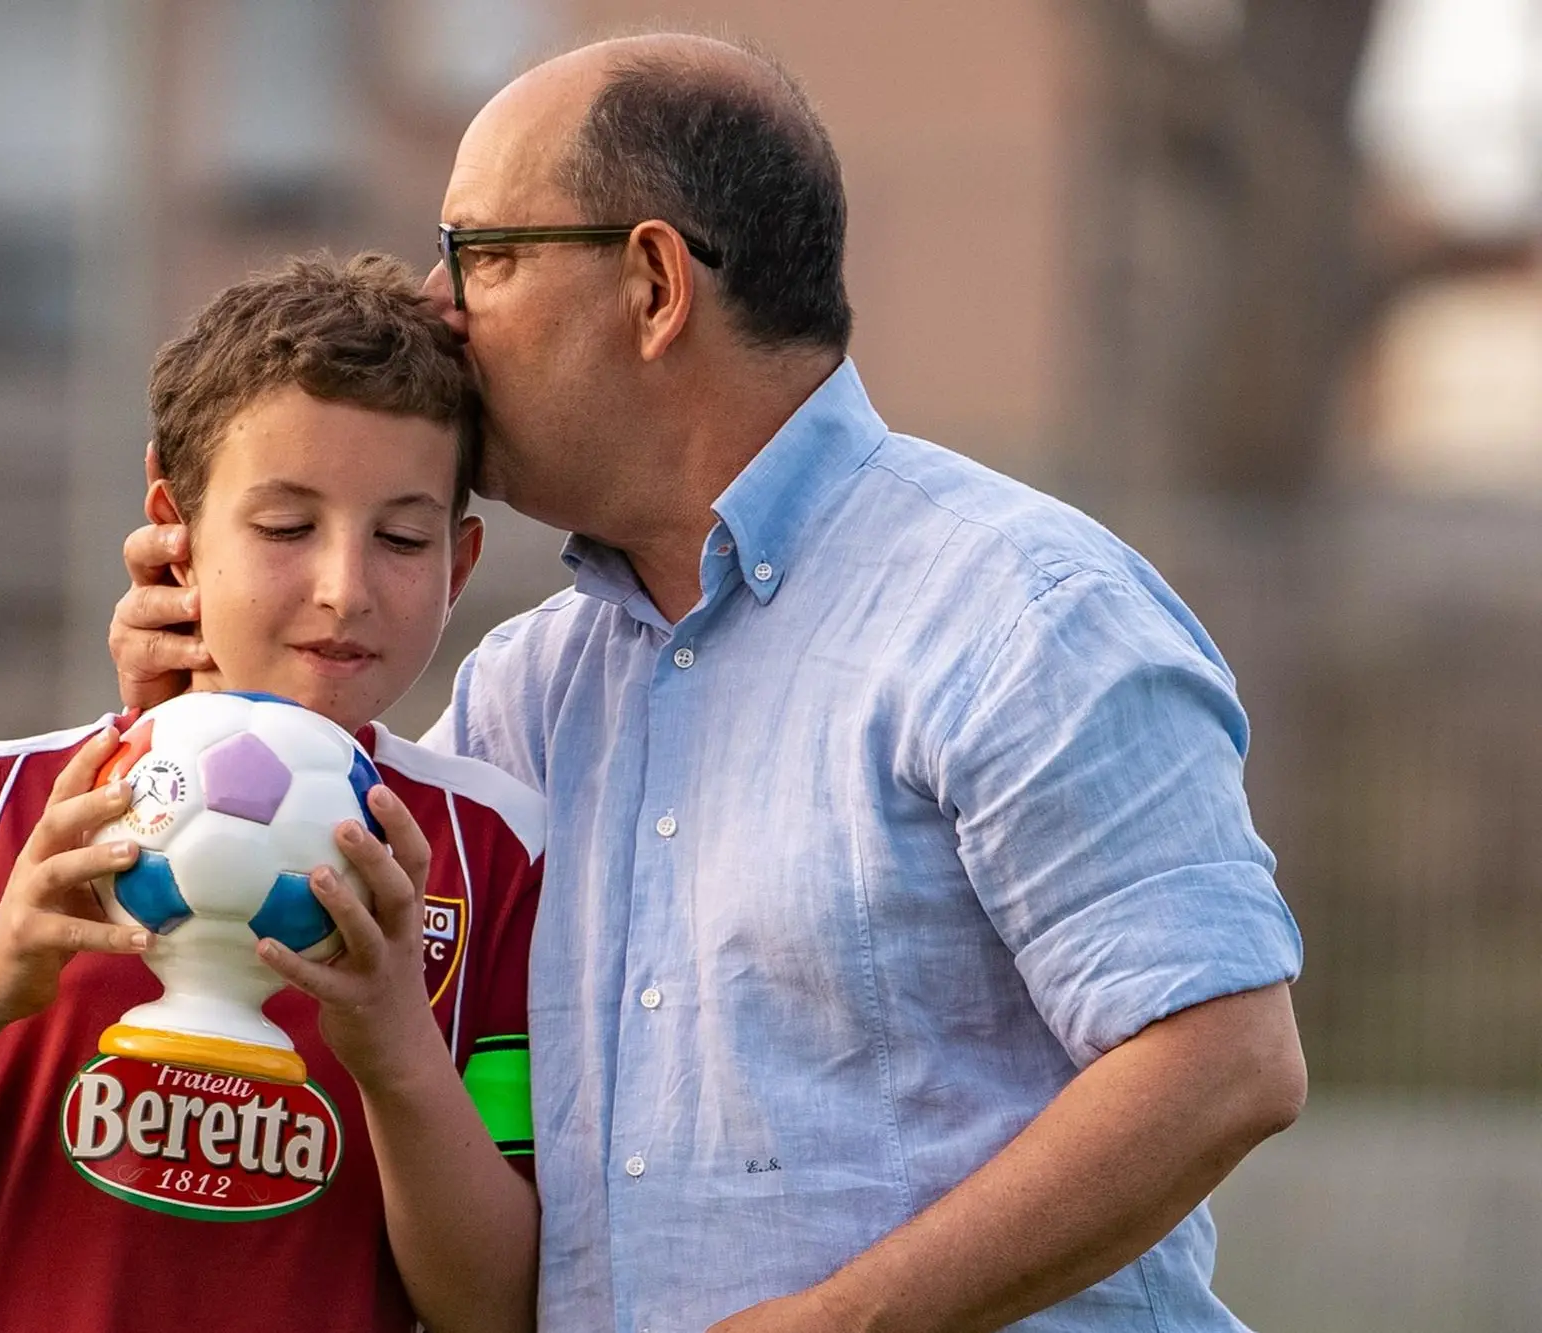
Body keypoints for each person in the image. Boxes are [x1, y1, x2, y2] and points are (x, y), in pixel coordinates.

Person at [109, 34, 1309, 1333]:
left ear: (652, 283)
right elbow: (354, 1027)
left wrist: (839, 1322)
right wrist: (190, 734)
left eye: (480, 253)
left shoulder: (1019, 612)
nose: (436, 304)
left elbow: (1222, 1062)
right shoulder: (522, 689)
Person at [0, 254, 544, 1333]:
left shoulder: (492, 858)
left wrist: (396, 1050)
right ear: (172, 530)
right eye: (286, 528)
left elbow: (496, 1310)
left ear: (460, 564)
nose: (345, 586)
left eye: (402, 538)